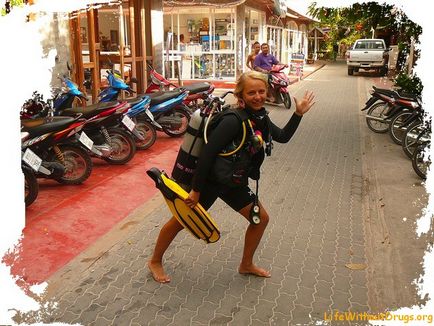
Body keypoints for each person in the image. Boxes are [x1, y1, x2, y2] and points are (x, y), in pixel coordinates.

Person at [148, 71, 316, 283]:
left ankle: (246, 264)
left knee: (261, 220)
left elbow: (282, 137)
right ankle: (155, 260)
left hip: (232, 182)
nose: (258, 96)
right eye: (251, 92)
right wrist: (196, 190)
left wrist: (298, 114)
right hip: (209, 182)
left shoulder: (260, 117)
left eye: (261, 91)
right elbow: (207, 155)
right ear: (241, 95)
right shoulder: (233, 121)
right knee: (181, 221)